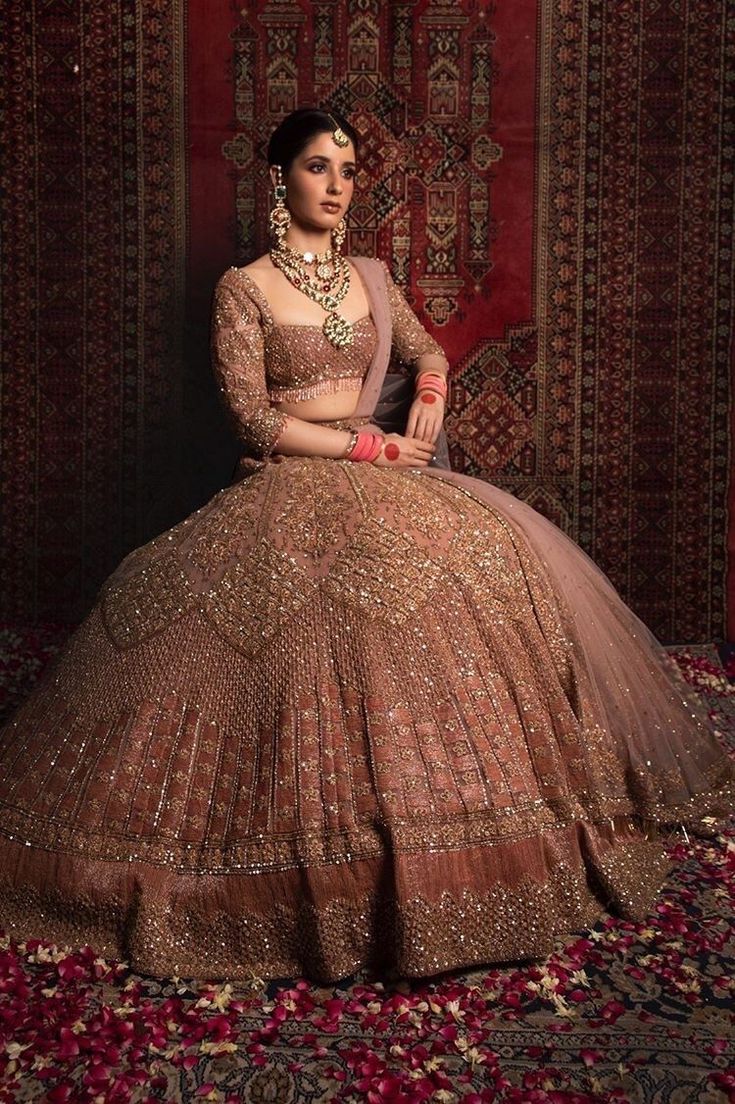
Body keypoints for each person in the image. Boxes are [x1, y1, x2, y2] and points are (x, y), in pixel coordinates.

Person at [0, 107, 732, 985]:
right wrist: (365, 445)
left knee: (475, 573)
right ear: (282, 181)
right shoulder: (245, 289)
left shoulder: (371, 278)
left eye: (347, 168)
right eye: (317, 166)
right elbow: (249, 414)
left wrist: (427, 389)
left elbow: (427, 351)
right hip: (289, 475)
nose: (338, 183)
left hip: (387, 474)